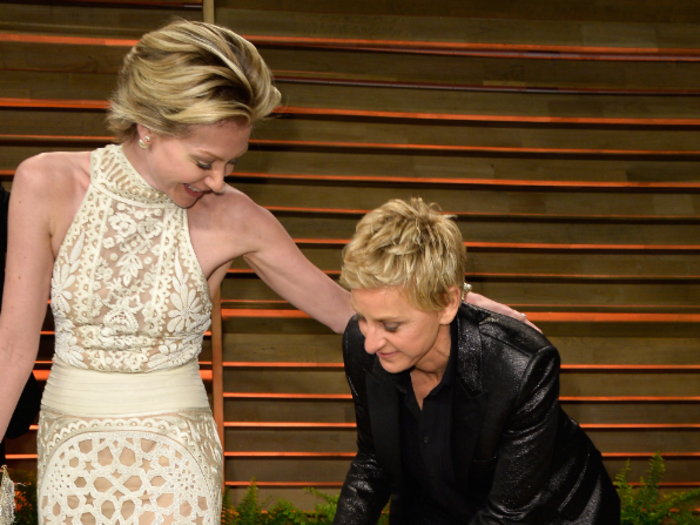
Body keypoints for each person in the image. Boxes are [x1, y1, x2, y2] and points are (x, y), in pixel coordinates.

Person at [0, 20, 534, 525]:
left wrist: (457, 303)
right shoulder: (46, 184)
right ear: (147, 126)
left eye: (232, 164)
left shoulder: (237, 216)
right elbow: (12, 348)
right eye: (204, 161)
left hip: (174, 457)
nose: (217, 181)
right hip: (72, 447)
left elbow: (341, 308)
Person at [334, 197, 620, 525]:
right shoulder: (360, 343)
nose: (371, 342)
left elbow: (508, 515)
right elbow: (373, 461)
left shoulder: (521, 366)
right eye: (363, 317)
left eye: (392, 325)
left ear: (447, 302)